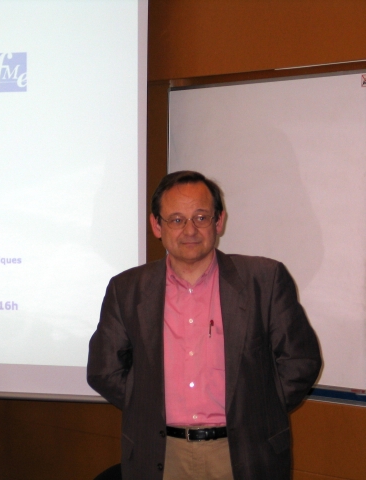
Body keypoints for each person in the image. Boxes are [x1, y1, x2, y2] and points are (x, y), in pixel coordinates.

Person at [87, 171, 321, 480]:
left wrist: (257, 412)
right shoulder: (127, 289)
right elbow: (104, 369)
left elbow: (301, 361)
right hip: (160, 454)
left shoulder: (264, 280)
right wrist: (147, 408)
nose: (190, 230)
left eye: (201, 217)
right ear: (157, 225)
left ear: (218, 221)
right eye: (176, 219)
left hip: (243, 453)